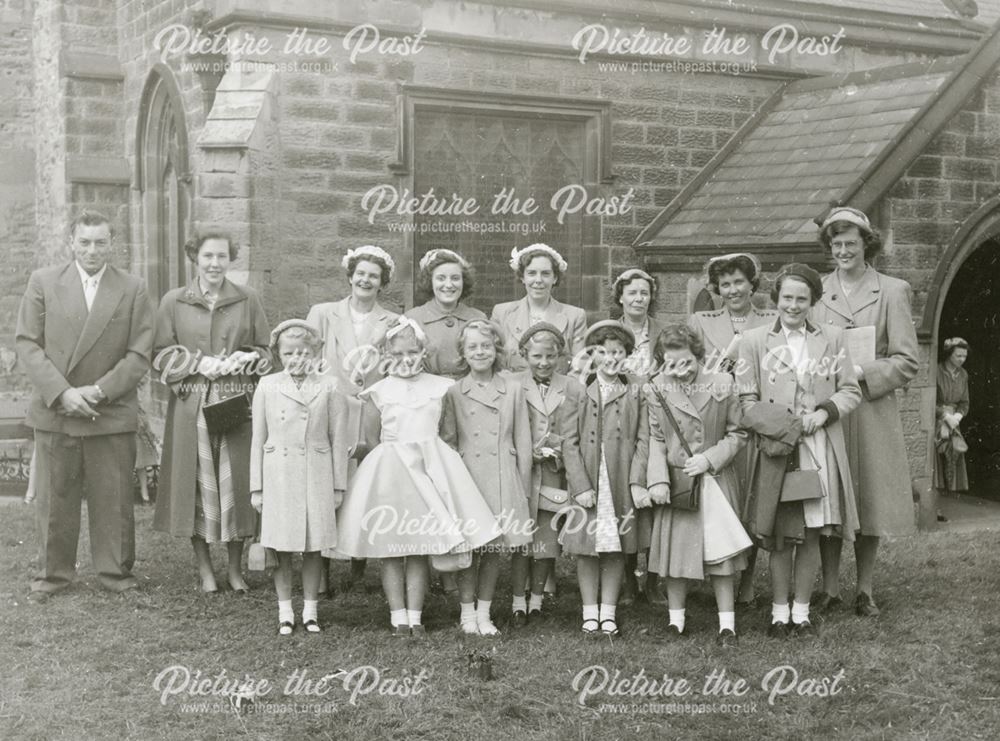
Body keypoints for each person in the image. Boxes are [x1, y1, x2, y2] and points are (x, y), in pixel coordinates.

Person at [16, 210, 154, 602]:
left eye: (100, 242)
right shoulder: (43, 282)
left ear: (112, 244)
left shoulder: (132, 287)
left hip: (107, 410)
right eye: (85, 242)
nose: (92, 250)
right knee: (55, 498)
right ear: (71, 243)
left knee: (112, 498)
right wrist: (63, 393)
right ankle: (52, 577)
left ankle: (115, 574)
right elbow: (27, 342)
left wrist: (97, 391)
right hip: (57, 408)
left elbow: (139, 352)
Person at [336, 317, 501, 636]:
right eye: (397, 354)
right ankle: (398, 615)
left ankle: (415, 614)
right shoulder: (378, 392)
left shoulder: (441, 388)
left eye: (412, 352)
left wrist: (438, 467)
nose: (405, 360)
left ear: (423, 352)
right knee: (393, 546)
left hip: (431, 469)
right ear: (386, 354)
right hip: (391, 473)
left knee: (419, 544)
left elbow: (448, 432)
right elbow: (372, 439)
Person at [738, 263, 861, 638]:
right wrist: (784, 424)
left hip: (817, 446)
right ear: (776, 299)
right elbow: (746, 399)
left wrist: (823, 413)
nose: (793, 305)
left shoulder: (834, 338)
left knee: (810, 530)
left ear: (813, 302)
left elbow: (851, 390)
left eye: (802, 299)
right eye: (787, 298)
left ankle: (802, 611)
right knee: (780, 533)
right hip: (776, 447)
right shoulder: (754, 340)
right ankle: (778, 612)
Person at [810, 207, 919, 617]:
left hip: (871, 410)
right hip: (831, 410)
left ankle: (866, 589)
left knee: (870, 497)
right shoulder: (817, 290)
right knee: (831, 496)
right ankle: (831, 587)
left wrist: (860, 371)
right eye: (836, 244)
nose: (843, 251)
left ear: (866, 245)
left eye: (850, 244)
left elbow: (907, 361)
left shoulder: (892, 290)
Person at [152, 233, 271, 593]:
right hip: (192, 403)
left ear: (230, 258)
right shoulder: (174, 301)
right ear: (195, 258)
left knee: (235, 481)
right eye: (207, 256)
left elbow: (268, 352)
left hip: (237, 400)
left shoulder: (247, 298)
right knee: (197, 484)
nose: (214, 263)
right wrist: (195, 362)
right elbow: (158, 354)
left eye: (222, 255)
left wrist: (246, 357)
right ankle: (205, 570)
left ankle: (235, 570)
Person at [644, 325, 752, 646]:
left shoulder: (722, 383)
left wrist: (710, 458)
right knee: (676, 555)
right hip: (679, 481)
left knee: (722, 556)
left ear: (699, 356)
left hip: (715, 479)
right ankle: (676, 621)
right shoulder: (656, 389)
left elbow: (738, 433)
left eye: (687, 362)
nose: (681, 370)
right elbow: (657, 438)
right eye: (671, 363)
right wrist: (658, 479)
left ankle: (727, 625)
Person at [307, 245, 399, 594]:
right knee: (331, 483)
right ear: (350, 276)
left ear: (382, 283)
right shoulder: (324, 313)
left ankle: (360, 567)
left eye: (373, 276)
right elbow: (311, 357)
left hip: (371, 411)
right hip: (333, 410)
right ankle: (324, 568)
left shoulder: (390, 321)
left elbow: (391, 366)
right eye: (360, 273)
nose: (366, 280)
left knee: (366, 485)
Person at [250, 320, 349, 635]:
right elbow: (258, 440)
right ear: (279, 354)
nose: (296, 359)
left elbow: (338, 440)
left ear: (316, 352)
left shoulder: (330, 386)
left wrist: (337, 485)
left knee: (312, 545)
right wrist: (257, 487)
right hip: (278, 474)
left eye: (303, 352)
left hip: (315, 474)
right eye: (289, 353)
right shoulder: (267, 385)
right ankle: (284, 612)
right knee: (281, 546)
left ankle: (310, 610)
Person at [689, 253, 776, 609]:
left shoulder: (771, 319)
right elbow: (688, 366)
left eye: (739, 282)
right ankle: (718, 574)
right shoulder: (701, 320)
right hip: (720, 421)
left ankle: (749, 579)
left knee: (753, 500)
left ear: (752, 284)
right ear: (717, 289)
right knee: (723, 499)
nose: (733, 289)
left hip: (758, 417)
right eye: (725, 284)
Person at [441, 319, 534, 636]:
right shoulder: (453, 392)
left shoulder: (513, 389)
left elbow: (523, 441)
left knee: (494, 549)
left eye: (486, 346)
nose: (480, 352)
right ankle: (467, 614)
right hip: (468, 477)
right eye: (472, 347)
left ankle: (485, 613)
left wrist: (522, 487)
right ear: (463, 353)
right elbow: (449, 441)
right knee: (468, 549)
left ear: (496, 350)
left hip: (502, 476)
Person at [559, 321, 649, 637]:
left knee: (615, 545)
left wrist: (636, 480)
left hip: (620, 478)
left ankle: (608, 611)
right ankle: (589, 611)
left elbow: (644, 438)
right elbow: (567, 440)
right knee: (587, 546)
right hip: (589, 477)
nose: (610, 359)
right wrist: (580, 485)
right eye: (602, 352)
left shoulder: (636, 388)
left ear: (627, 355)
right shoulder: (577, 388)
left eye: (617, 353)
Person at [508, 323, 590, 625]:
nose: (544, 363)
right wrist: (528, 451)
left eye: (551, 356)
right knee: (521, 540)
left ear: (561, 356)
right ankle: (518, 601)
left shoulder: (572, 387)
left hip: (554, 473)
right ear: (524, 355)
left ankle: (537, 601)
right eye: (537, 356)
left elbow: (577, 432)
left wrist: (555, 448)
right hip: (522, 472)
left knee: (545, 540)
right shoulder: (513, 383)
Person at [611, 267, 662, 605]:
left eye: (644, 293)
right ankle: (628, 578)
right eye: (632, 293)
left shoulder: (661, 330)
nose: (638, 299)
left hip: (658, 413)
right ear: (620, 298)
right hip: (621, 416)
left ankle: (656, 579)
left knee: (656, 490)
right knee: (624, 494)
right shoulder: (609, 332)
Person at [491, 244, 588, 373]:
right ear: (522, 277)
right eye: (531, 273)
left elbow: (579, 367)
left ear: (555, 278)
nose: (538, 280)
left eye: (545, 274)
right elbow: (493, 361)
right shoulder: (501, 313)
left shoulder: (575, 316)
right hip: (512, 389)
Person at [406, 249, 486, 379]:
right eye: (440, 278)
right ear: (430, 282)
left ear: (463, 281)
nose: (448, 285)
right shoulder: (412, 319)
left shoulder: (478, 318)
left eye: (455, 278)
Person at [935, 337, 970, 511]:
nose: (962, 360)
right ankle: (935, 506)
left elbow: (965, 402)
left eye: (964, 356)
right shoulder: (936, 371)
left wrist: (957, 416)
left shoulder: (963, 375)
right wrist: (944, 415)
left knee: (953, 458)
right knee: (938, 460)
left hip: (954, 422)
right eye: (958, 356)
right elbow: (930, 401)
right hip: (938, 421)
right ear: (949, 354)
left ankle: (946, 505)